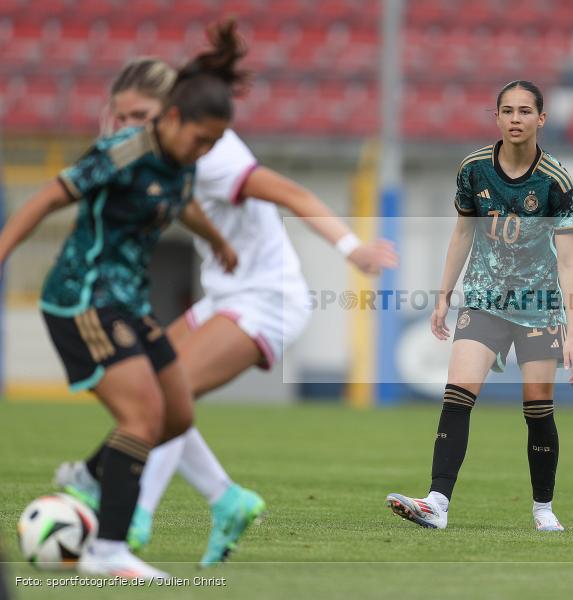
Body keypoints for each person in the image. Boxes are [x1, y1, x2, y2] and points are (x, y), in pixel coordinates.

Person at [56, 54, 398, 565]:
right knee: (159, 390)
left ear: (171, 111)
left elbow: (292, 193)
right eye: (121, 117)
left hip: (269, 300)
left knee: (170, 395)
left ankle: (131, 516)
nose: (128, 127)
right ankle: (226, 499)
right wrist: (215, 239)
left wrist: (355, 250)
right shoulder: (160, 150)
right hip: (226, 295)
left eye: (138, 116)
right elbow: (181, 204)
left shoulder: (214, 157)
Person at [0, 21, 245, 579]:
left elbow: (179, 203)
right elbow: (46, 198)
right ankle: (108, 549)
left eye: (213, 143)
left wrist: (218, 239)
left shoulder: (183, 161)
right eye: (200, 139)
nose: (203, 151)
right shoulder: (123, 151)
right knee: (142, 416)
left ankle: (89, 476)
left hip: (129, 303)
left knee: (177, 415)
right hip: (82, 300)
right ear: (172, 118)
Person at [385, 80, 573, 531]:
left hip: (539, 305)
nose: (516, 119)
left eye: (525, 111)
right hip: (484, 299)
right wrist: (443, 296)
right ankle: (437, 503)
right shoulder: (473, 169)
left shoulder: (557, 182)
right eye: (508, 111)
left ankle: (543, 509)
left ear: (541, 119)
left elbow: (569, 262)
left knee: (537, 409)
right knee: (457, 395)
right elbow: (462, 234)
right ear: (496, 117)